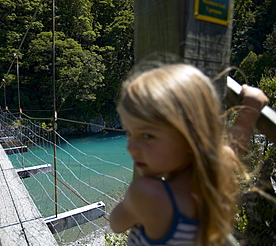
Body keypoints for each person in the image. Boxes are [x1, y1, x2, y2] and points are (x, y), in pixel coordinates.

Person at [109, 64, 269, 246]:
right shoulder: (212, 173)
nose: (131, 148)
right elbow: (235, 145)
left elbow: (116, 224)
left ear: (190, 136)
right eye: (129, 133)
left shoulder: (147, 193)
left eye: (148, 136)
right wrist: (252, 106)